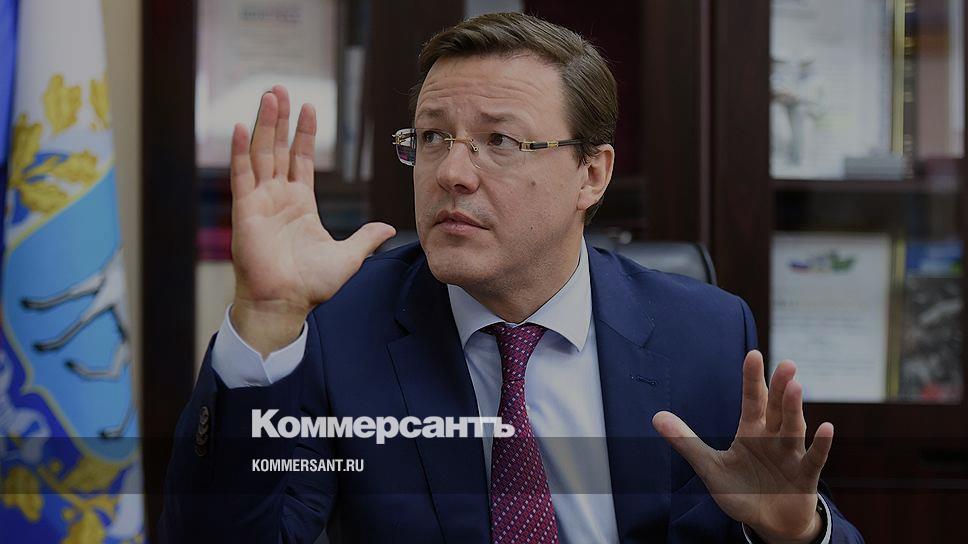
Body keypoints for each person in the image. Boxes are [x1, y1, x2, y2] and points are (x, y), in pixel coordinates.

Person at [160, 12, 863, 544]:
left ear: (592, 174)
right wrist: (266, 318)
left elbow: (783, 516)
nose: (452, 173)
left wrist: (796, 533)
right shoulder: (339, 330)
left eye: (499, 140)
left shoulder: (703, 335)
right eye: (431, 137)